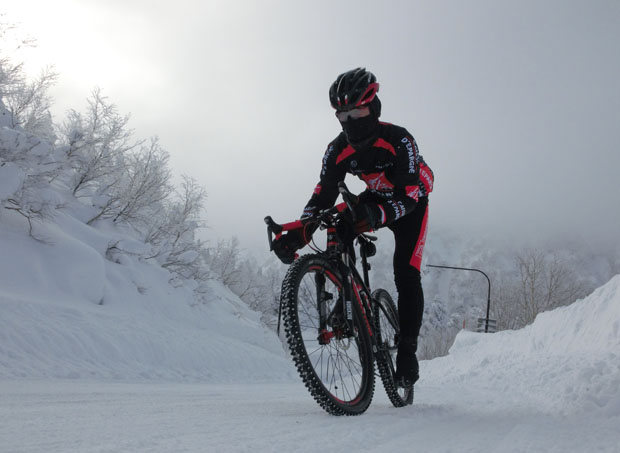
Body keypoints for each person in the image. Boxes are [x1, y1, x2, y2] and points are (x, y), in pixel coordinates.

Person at [272, 67, 434, 387]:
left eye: (357, 110)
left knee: (406, 271)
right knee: (336, 223)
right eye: (343, 114)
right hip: (374, 196)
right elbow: (323, 194)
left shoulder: (400, 140)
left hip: (411, 199)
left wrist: (379, 214)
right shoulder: (337, 150)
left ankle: (407, 351)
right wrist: (297, 235)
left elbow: (410, 196)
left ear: (373, 108)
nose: (350, 120)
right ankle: (348, 300)